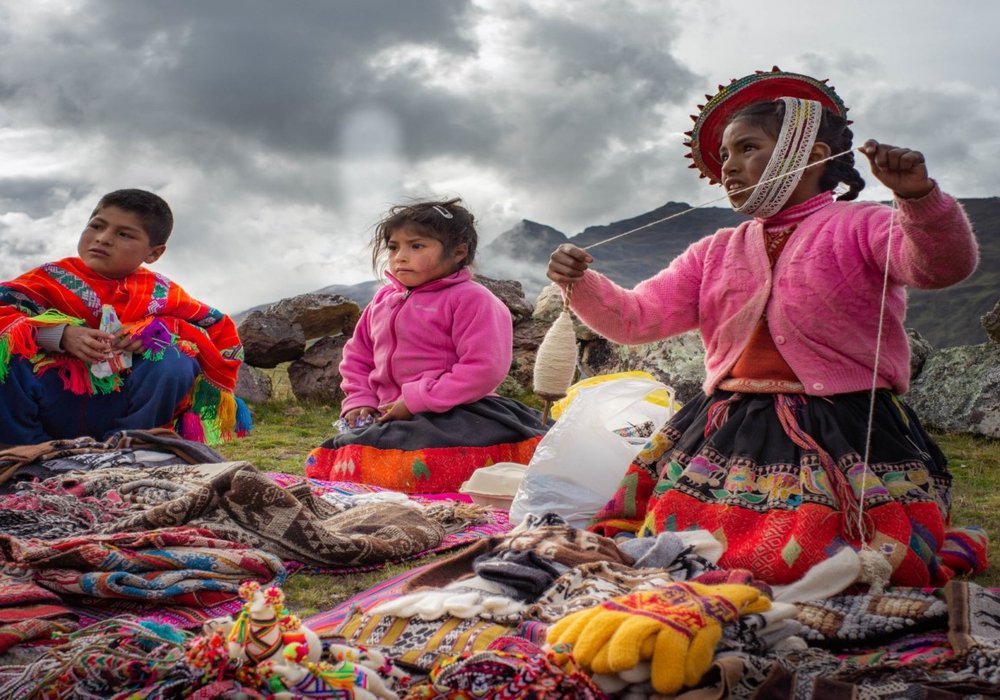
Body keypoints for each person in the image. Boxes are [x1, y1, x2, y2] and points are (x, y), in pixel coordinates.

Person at [546, 69, 985, 587]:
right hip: (730, 422)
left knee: (811, 556)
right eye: (725, 157)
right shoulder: (714, 251)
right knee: (679, 539)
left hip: (843, 424)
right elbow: (637, 318)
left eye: (746, 148)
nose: (728, 168)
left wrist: (918, 201)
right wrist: (583, 284)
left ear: (807, 153)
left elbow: (939, 267)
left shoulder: (864, 226)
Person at [305, 198, 549, 493]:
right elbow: (358, 356)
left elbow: (483, 368)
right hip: (387, 416)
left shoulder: (472, 300)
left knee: (422, 467)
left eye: (416, 246)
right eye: (394, 247)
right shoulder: (382, 302)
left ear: (458, 252)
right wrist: (360, 399)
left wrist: (418, 399)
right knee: (333, 461)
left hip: (458, 414)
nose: (400, 257)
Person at [0, 189, 251, 446]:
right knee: (5, 353)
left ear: (154, 253)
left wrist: (154, 335)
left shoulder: (162, 293)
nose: (103, 238)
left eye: (124, 234)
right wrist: (60, 335)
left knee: (176, 360)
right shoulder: (46, 280)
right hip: (50, 401)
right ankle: (26, 452)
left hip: (123, 406)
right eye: (96, 226)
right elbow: (4, 314)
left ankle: (130, 446)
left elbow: (209, 330)